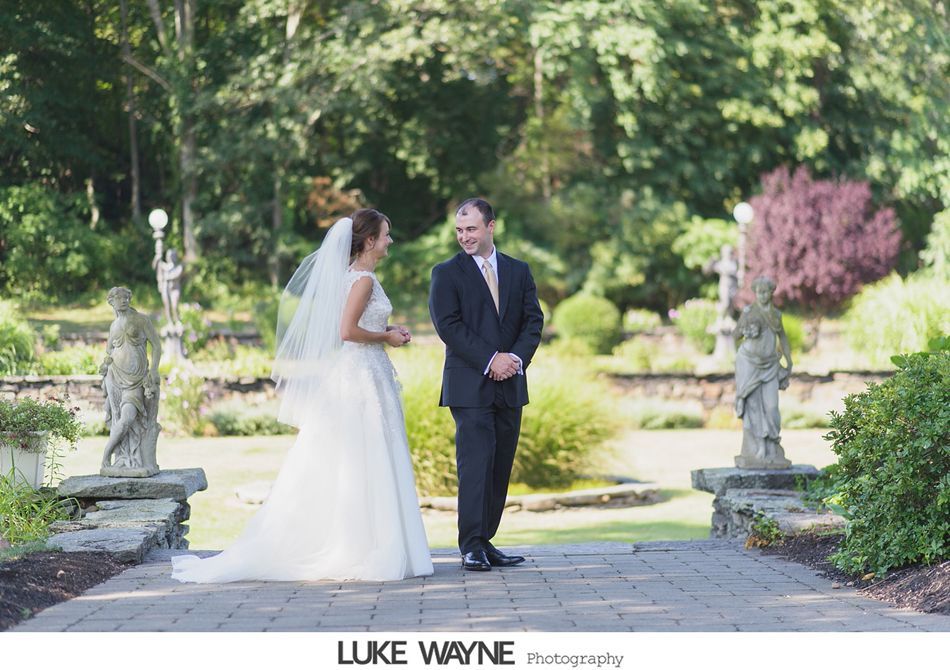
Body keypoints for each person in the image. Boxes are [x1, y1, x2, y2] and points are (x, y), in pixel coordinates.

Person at [171, 209, 433, 582]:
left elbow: (357, 325)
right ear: (370, 241)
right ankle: (368, 547)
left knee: (360, 457)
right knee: (367, 454)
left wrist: (387, 328)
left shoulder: (356, 277)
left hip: (359, 372)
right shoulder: (364, 281)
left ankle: (365, 541)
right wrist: (385, 337)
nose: (391, 241)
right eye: (386, 235)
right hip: (361, 375)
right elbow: (347, 331)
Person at [428, 198, 544, 571]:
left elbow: (533, 322)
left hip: (511, 383)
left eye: (471, 229)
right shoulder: (445, 273)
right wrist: (491, 360)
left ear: (491, 227)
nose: (464, 236)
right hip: (469, 386)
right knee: (475, 464)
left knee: (499, 465)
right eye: (460, 230)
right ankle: (471, 544)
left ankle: (486, 538)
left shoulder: (519, 270)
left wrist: (515, 360)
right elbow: (449, 326)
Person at [100, 287, 162, 475]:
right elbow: (110, 352)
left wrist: (154, 369)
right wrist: (105, 364)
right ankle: (116, 460)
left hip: (136, 380)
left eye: (127, 297)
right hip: (116, 378)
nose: (124, 300)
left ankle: (106, 456)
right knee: (120, 418)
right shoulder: (114, 326)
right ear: (111, 302)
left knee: (126, 418)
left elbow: (157, 345)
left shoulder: (141, 320)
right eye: (119, 298)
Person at [734, 275, 792, 469]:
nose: (762, 295)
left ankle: (772, 446)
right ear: (755, 293)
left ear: (771, 292)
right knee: (753, 409)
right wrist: (746, 330)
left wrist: (789, 360)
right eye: (759, 292)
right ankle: (759, 448)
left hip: (770, 365)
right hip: (749, 363)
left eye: (766, 291)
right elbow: (735, 336)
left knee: (772, 408)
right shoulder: (749, 312)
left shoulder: (776, 315)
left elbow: (782, 338)